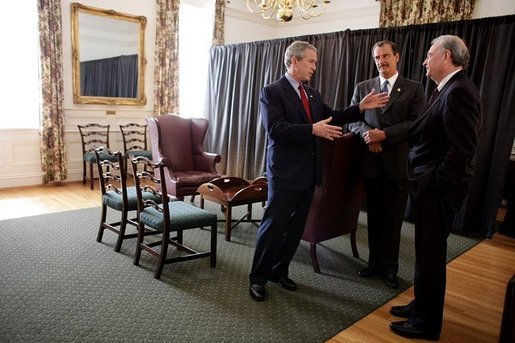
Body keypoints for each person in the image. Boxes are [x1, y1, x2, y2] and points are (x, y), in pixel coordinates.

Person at [249, 40, 389, 302]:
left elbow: (332, 116)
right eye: (311, 61)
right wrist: (312, 129)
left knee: (294, 229)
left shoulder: (312, 94)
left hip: (309, 173)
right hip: (284, 173)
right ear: (295, 61)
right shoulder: (272, 91)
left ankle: (280, 271)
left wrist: (359, 108)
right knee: (273, 227)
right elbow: (276, 129)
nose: (315, 66)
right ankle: (258, 278)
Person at [389, 35, 481, 340]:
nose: (425, 61)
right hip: (430, 188)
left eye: (430, 55)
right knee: (425, 254)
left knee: (431, 256)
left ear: (446, 56)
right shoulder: (447, 88)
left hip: (437, 191)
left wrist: (433, 185)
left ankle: (426, 323)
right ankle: (421, 305)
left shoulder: (459, 92)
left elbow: (461, 153)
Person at [347, 40, 426, 288]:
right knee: (374, 218)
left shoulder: (413, 88)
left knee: (392, 220)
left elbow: (417, 123)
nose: (381, 61)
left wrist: (386, 135)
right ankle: (374, 263)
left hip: (397, 165)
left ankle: (391, 267)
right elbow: (352, 119)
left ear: (397, 57)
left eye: (386, 56)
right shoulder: (363, 87)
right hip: (370, 164)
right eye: (377, 57)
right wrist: (367, 134)